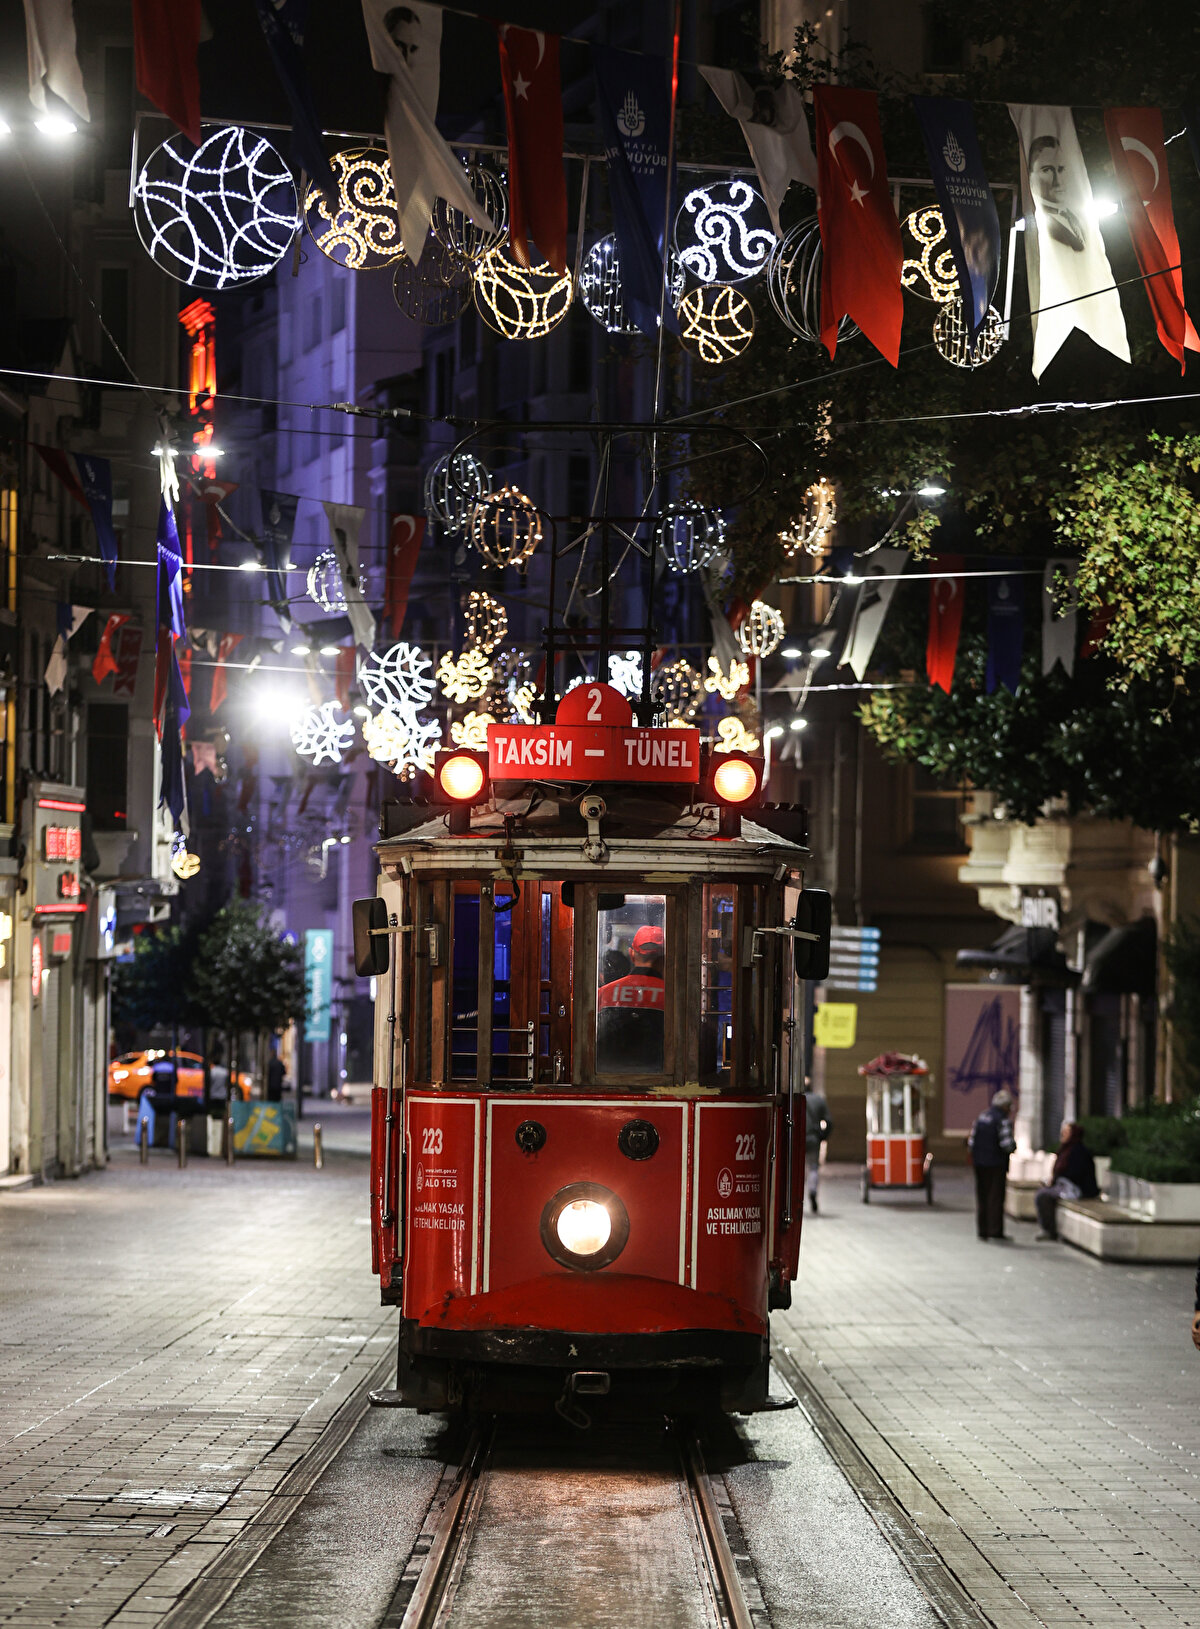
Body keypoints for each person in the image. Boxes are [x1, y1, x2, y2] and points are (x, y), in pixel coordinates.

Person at [596, 924, 665, 1073]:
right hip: (659, 1082)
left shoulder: (604, 993)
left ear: (632, 954)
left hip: (608, 1079)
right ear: (663, 958)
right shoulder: (673, 996)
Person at [1034, 1121, 1099, 1240]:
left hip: (1078, 1188)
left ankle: (1048, 1230)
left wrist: (1056, 1180)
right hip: (1066, 1185)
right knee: (1042, 1193)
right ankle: (1047, 1228)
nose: (1062, 1134)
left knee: (1043, 1196)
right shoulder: (1065, 1150)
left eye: (1066, 1132)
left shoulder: (1078, 1152)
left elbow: (1075, 1174)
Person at [968, 1088, 1015, 1241]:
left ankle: (983, 1230)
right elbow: (1007, 1144)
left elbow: (971, 1142)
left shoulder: (982, 1117)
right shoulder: (1002, 1120)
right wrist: (1013, 1147)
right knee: (995, 1197)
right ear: (1005, 1106)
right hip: (996, 1164)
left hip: (979, 1163)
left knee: (982, 1196)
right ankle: (995, 1230)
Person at [1027, 135, 1086, 251]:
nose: (1058, 181)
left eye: (1061, 169)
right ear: (1031, 175)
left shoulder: (1077, 216)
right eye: (1047, 170)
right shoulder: (1036, 222)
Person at [803, 1087, 832, 1214]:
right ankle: (812, 1191)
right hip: (813, 1138)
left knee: (795, 1170)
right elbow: (829, 1121)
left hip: (797, 1139)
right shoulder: (819, 1100)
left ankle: (794, 1198)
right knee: (813, 1167)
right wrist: (823, 1136)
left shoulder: (797, 1099)